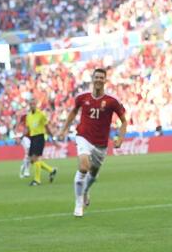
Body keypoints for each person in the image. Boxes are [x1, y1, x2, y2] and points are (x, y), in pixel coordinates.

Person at [59, 68, 128, 217]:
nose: (98, 80)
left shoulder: (112, 101)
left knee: (93, 174)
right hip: (83, 137)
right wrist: (64, 129)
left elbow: (124, 121)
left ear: (105, 80)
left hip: (101, 143)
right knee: (84, 167)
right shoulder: (82, 97)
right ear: (92, 79)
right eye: (96, 77)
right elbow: (73, 112)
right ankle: (78, 204)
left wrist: (120, 138)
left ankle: (85, 191)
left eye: (101, 78)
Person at [25, 97, 58, 186]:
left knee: (36, 158)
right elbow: (28, 129)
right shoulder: (28, 116)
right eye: (30, 104)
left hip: (40, 137)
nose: (32, 106)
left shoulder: (41, 114)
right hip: (32, 138)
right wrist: (23, 137)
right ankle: (51, 170)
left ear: (36, 105)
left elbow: (46, 127)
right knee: (32, 160)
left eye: (33, 104)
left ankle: (37, 180)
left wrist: (53, 138)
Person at [18, 113, 32, 179]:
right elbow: (24, 128)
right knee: (28, 153)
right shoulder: (25, 118)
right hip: (25, 138)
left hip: (30, 138)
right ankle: (26, 170)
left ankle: (22, 170)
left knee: (29, 155)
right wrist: (21, 136)